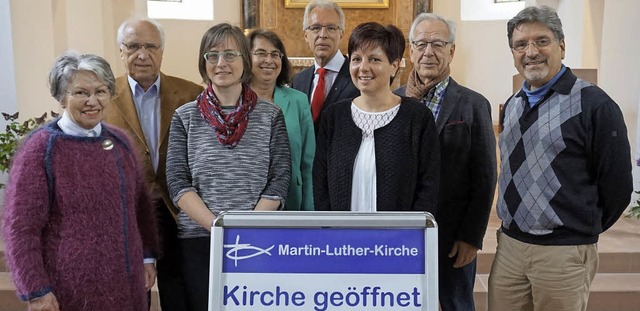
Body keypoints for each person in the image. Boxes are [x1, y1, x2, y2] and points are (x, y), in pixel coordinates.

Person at [488, 6, 632, 311]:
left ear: (561, 45)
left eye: (541, 41)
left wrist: (577, 231)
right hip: (510, 247)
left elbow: (617, 184)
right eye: (520, 45)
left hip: (562, 253)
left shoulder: (595, 105)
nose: (531, 52)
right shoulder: (513, 104)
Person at [2, 51, 159, 311]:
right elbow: (20, 229)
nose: (92, 101)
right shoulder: (41, 149)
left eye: (100, 91)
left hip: (126, 287)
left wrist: (147, 256)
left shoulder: (120, 143)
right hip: (68, 292)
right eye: (81, 93)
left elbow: (140, 208)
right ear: (62, 97)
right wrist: (36, 290)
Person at [166, 23, 291, 310]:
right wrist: (218, 227)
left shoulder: (271, 115)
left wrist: (244, 227)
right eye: (212, 56)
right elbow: (177, 181)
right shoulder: (184, 117)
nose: (221, 63)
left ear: (245, 62)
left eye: (230, 55)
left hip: (256, 238)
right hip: (200, 239)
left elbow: (279, 179)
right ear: (204, 63)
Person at [394, 13, 497, 311]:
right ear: (410, 51)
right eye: (421, 43)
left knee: (456, 303)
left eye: (438, 44)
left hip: (452, 232)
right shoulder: (394, 100)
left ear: (451, 51)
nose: (429, 52)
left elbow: (485, 175)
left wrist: (471, 236)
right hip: (403, 229)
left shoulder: (473, 103)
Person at [104, 18, 203, 311]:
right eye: (133, 47)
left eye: (150, 46)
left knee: (179, 289)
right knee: (134, 292)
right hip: (128, 211)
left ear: (162, 51)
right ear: (121, 52)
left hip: (178, 208)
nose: (142, 54)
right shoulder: (104, 96)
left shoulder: (191, 94)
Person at [313, 21, 439, 213]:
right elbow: (320, 182)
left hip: (399, 238)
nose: (363, 68)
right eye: (356, 59)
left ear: (394, 66)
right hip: (342, 236)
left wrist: (412, 232)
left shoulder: (417, 117)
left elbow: (429, 185)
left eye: (374, 59)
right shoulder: (333, 117)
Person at [248, 29, 316, 211]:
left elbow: (308, 164)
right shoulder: (235, 99)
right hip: (246, 202)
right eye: (261, 53)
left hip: (291, 200)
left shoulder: (298, 100)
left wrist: (310, 214)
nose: (269, 60)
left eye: (275, 54)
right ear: (246, 58)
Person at [291, 0, 360, 126]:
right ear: (306, 35)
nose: (323, 35)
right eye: (316, 28)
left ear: (341, 34)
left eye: (331, 28)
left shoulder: (358, 75)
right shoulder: (298, 80)